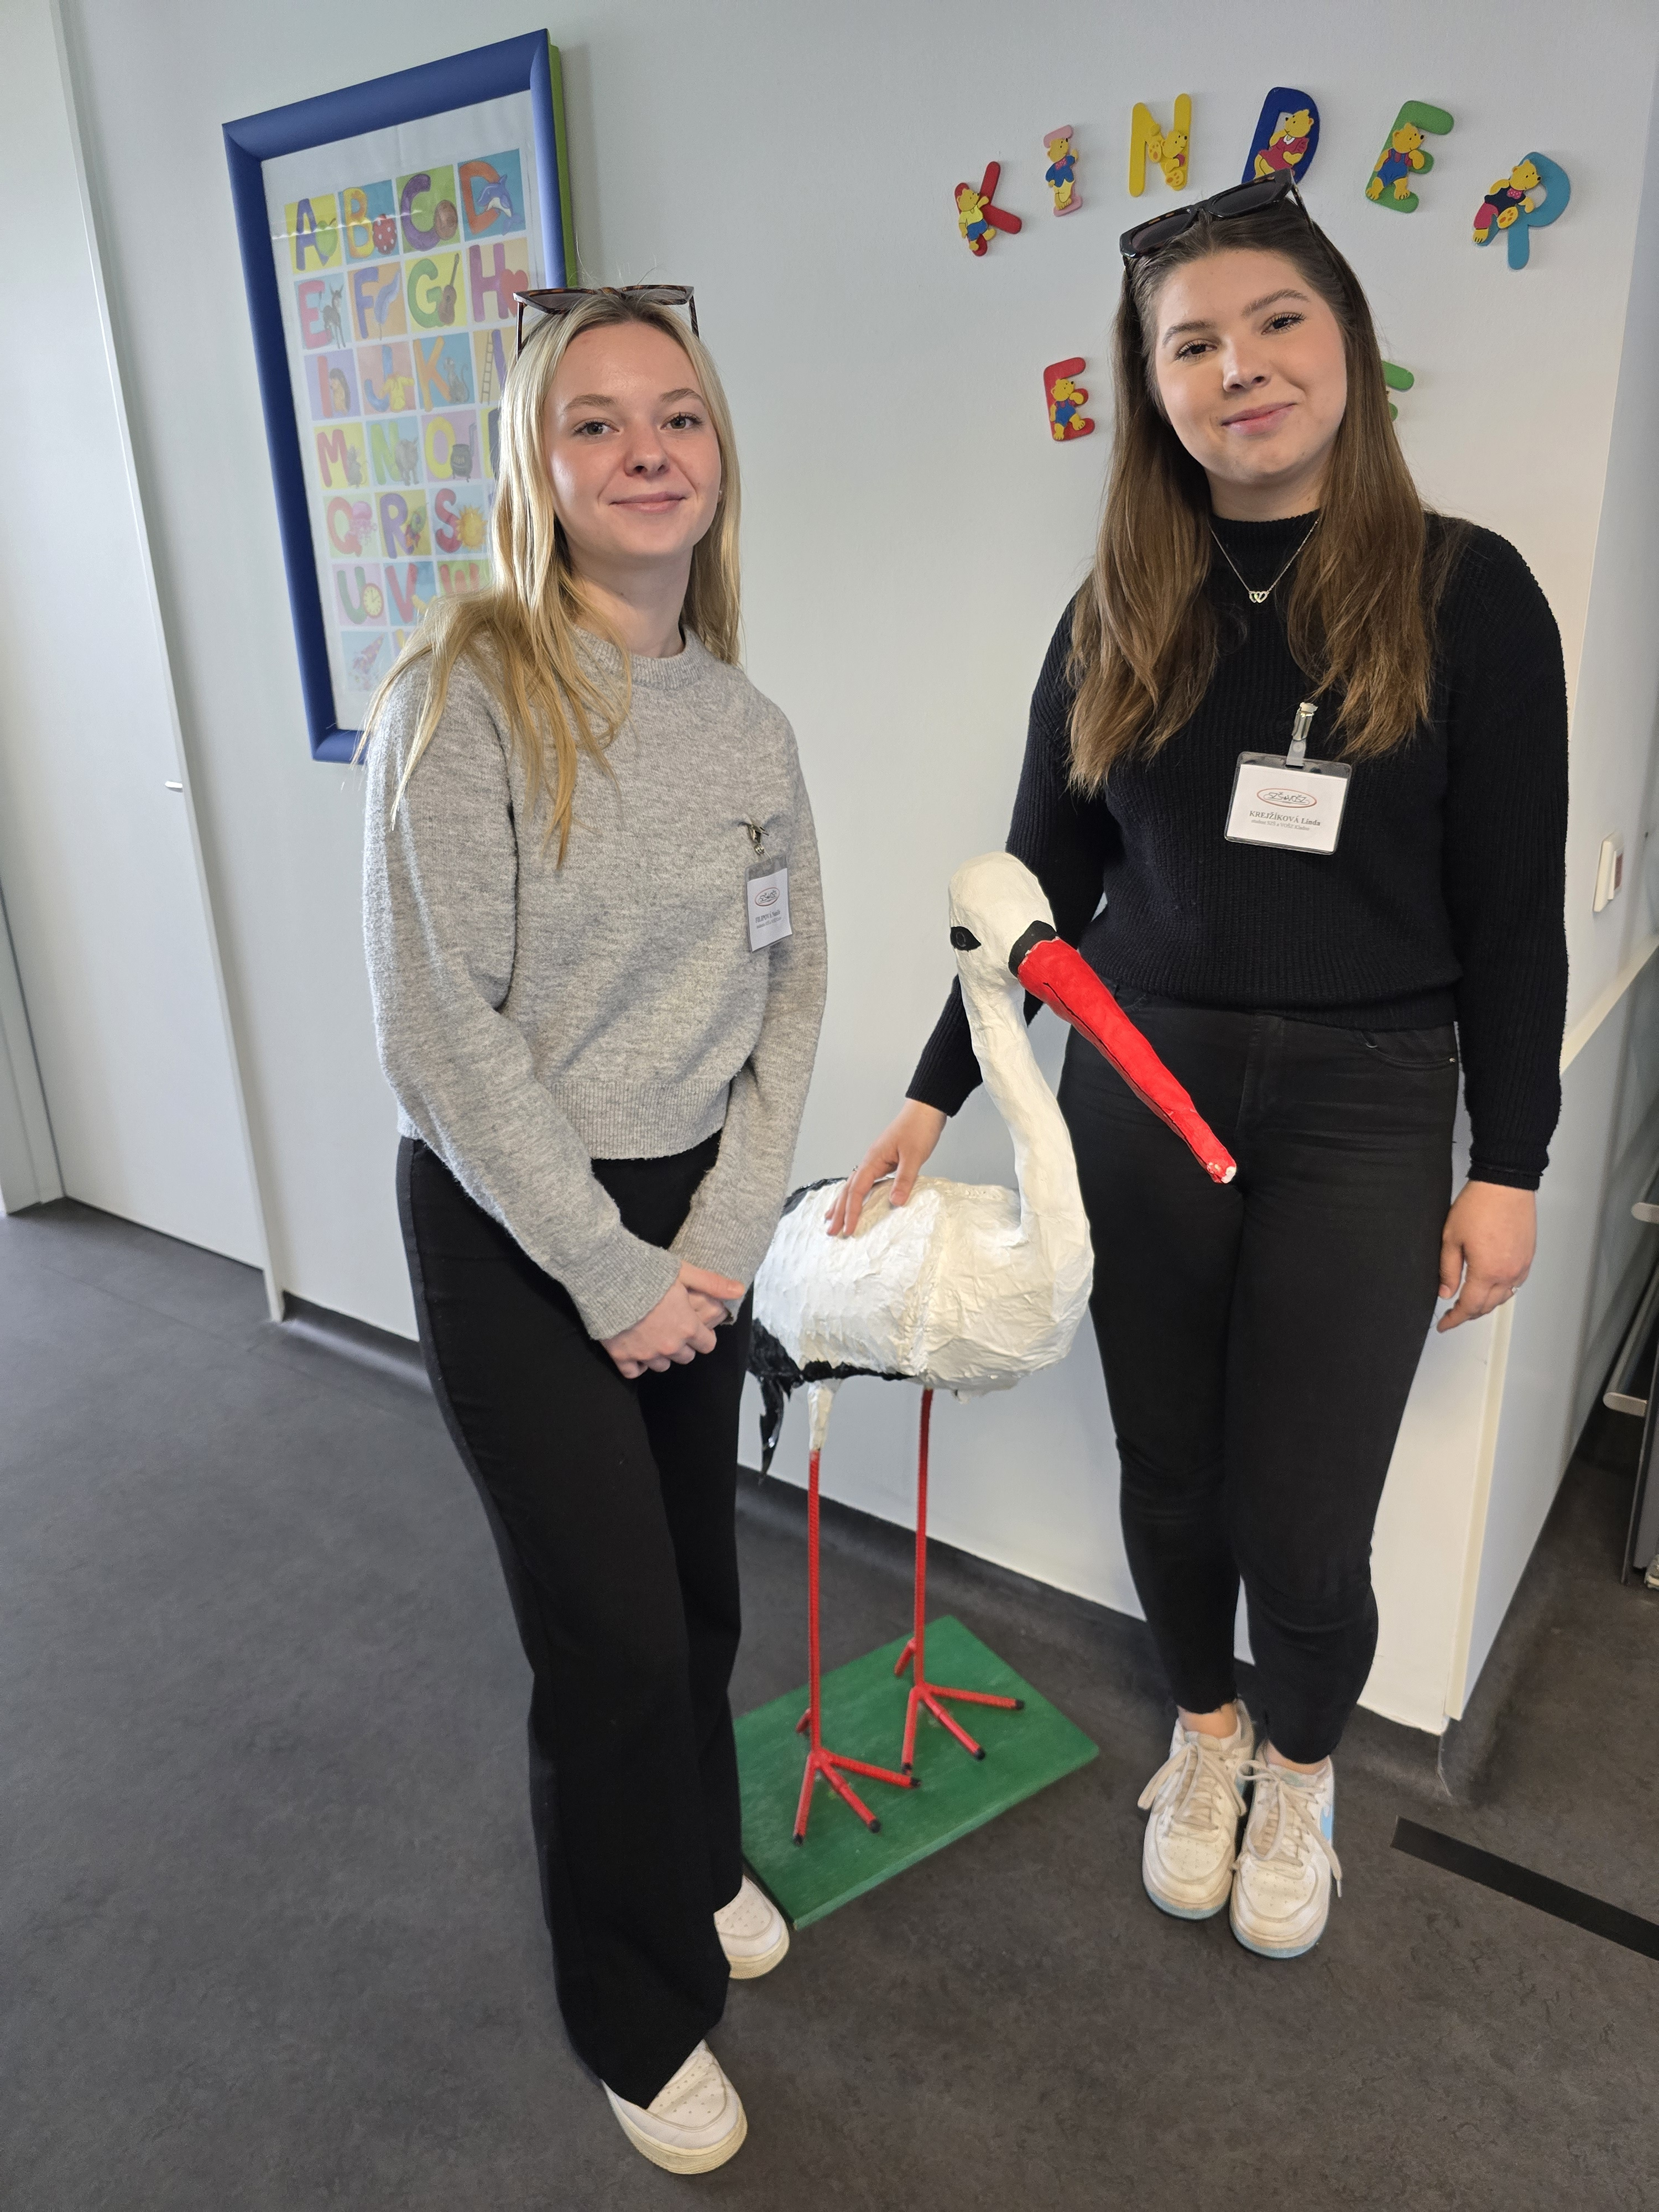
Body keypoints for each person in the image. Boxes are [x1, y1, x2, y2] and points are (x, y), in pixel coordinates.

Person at [831, 176, 1567, 1961]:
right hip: (1135, 1091)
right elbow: (1032, 891)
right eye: (1192, 346)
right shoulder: (1120, 606)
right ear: (1153, 389)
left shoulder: (1469, 595)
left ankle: (1302, 1773)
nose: (1241, 369)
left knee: (1304, 1520)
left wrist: (1512, 1162)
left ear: (1349, 342)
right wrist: (931, 1097)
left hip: (1368, 1105)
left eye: (1277, 323)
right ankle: (1209, 1735)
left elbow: (1513, 914)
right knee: (1167, 1471)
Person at [361, 288, 826, 2172]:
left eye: (679, 416)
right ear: (536, 468)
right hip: (515, 1223)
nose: (647, 452)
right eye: (597, 422)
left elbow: (790, 990)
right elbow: (438, 1033)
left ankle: (693, 1854)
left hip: (691, 1220)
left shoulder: (747, 723)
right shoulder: (464, 689)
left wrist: (722, 1234)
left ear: (720, 454)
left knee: (697, 1596)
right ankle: (637, 2015)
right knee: (614, 1640)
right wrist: (618, 1276)